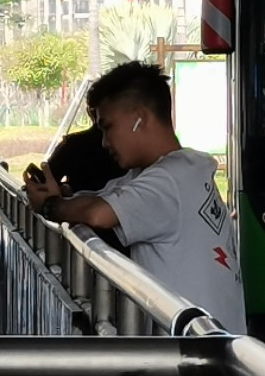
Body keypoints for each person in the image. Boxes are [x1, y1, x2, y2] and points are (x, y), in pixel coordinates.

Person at [22, 61, 246, 334]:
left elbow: (98, 213)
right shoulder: (187, 167)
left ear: (141, 118)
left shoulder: (166, 182)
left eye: (108, 127)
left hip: (196, 359)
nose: (104, 142)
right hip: (209, 346)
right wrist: (64, 195)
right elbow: (98, 197)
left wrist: (49, 206)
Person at [42, 106, 129, 254]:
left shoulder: (74, 144)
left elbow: (98, 213)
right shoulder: (133, 169)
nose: (106, 144)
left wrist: (52, 204)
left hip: (84, 234)